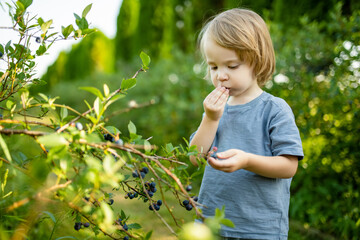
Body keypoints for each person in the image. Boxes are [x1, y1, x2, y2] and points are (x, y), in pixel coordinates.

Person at [189, 8, 304, 240]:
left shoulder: (274, 109)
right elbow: (193, 157)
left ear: (257, 61)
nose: (221, 75)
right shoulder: (215, 111)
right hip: (211, 224)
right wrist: (210, 119)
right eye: (213, 66)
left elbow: (289, 166)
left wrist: (247, 161)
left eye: (231, 66)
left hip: (260, 228)